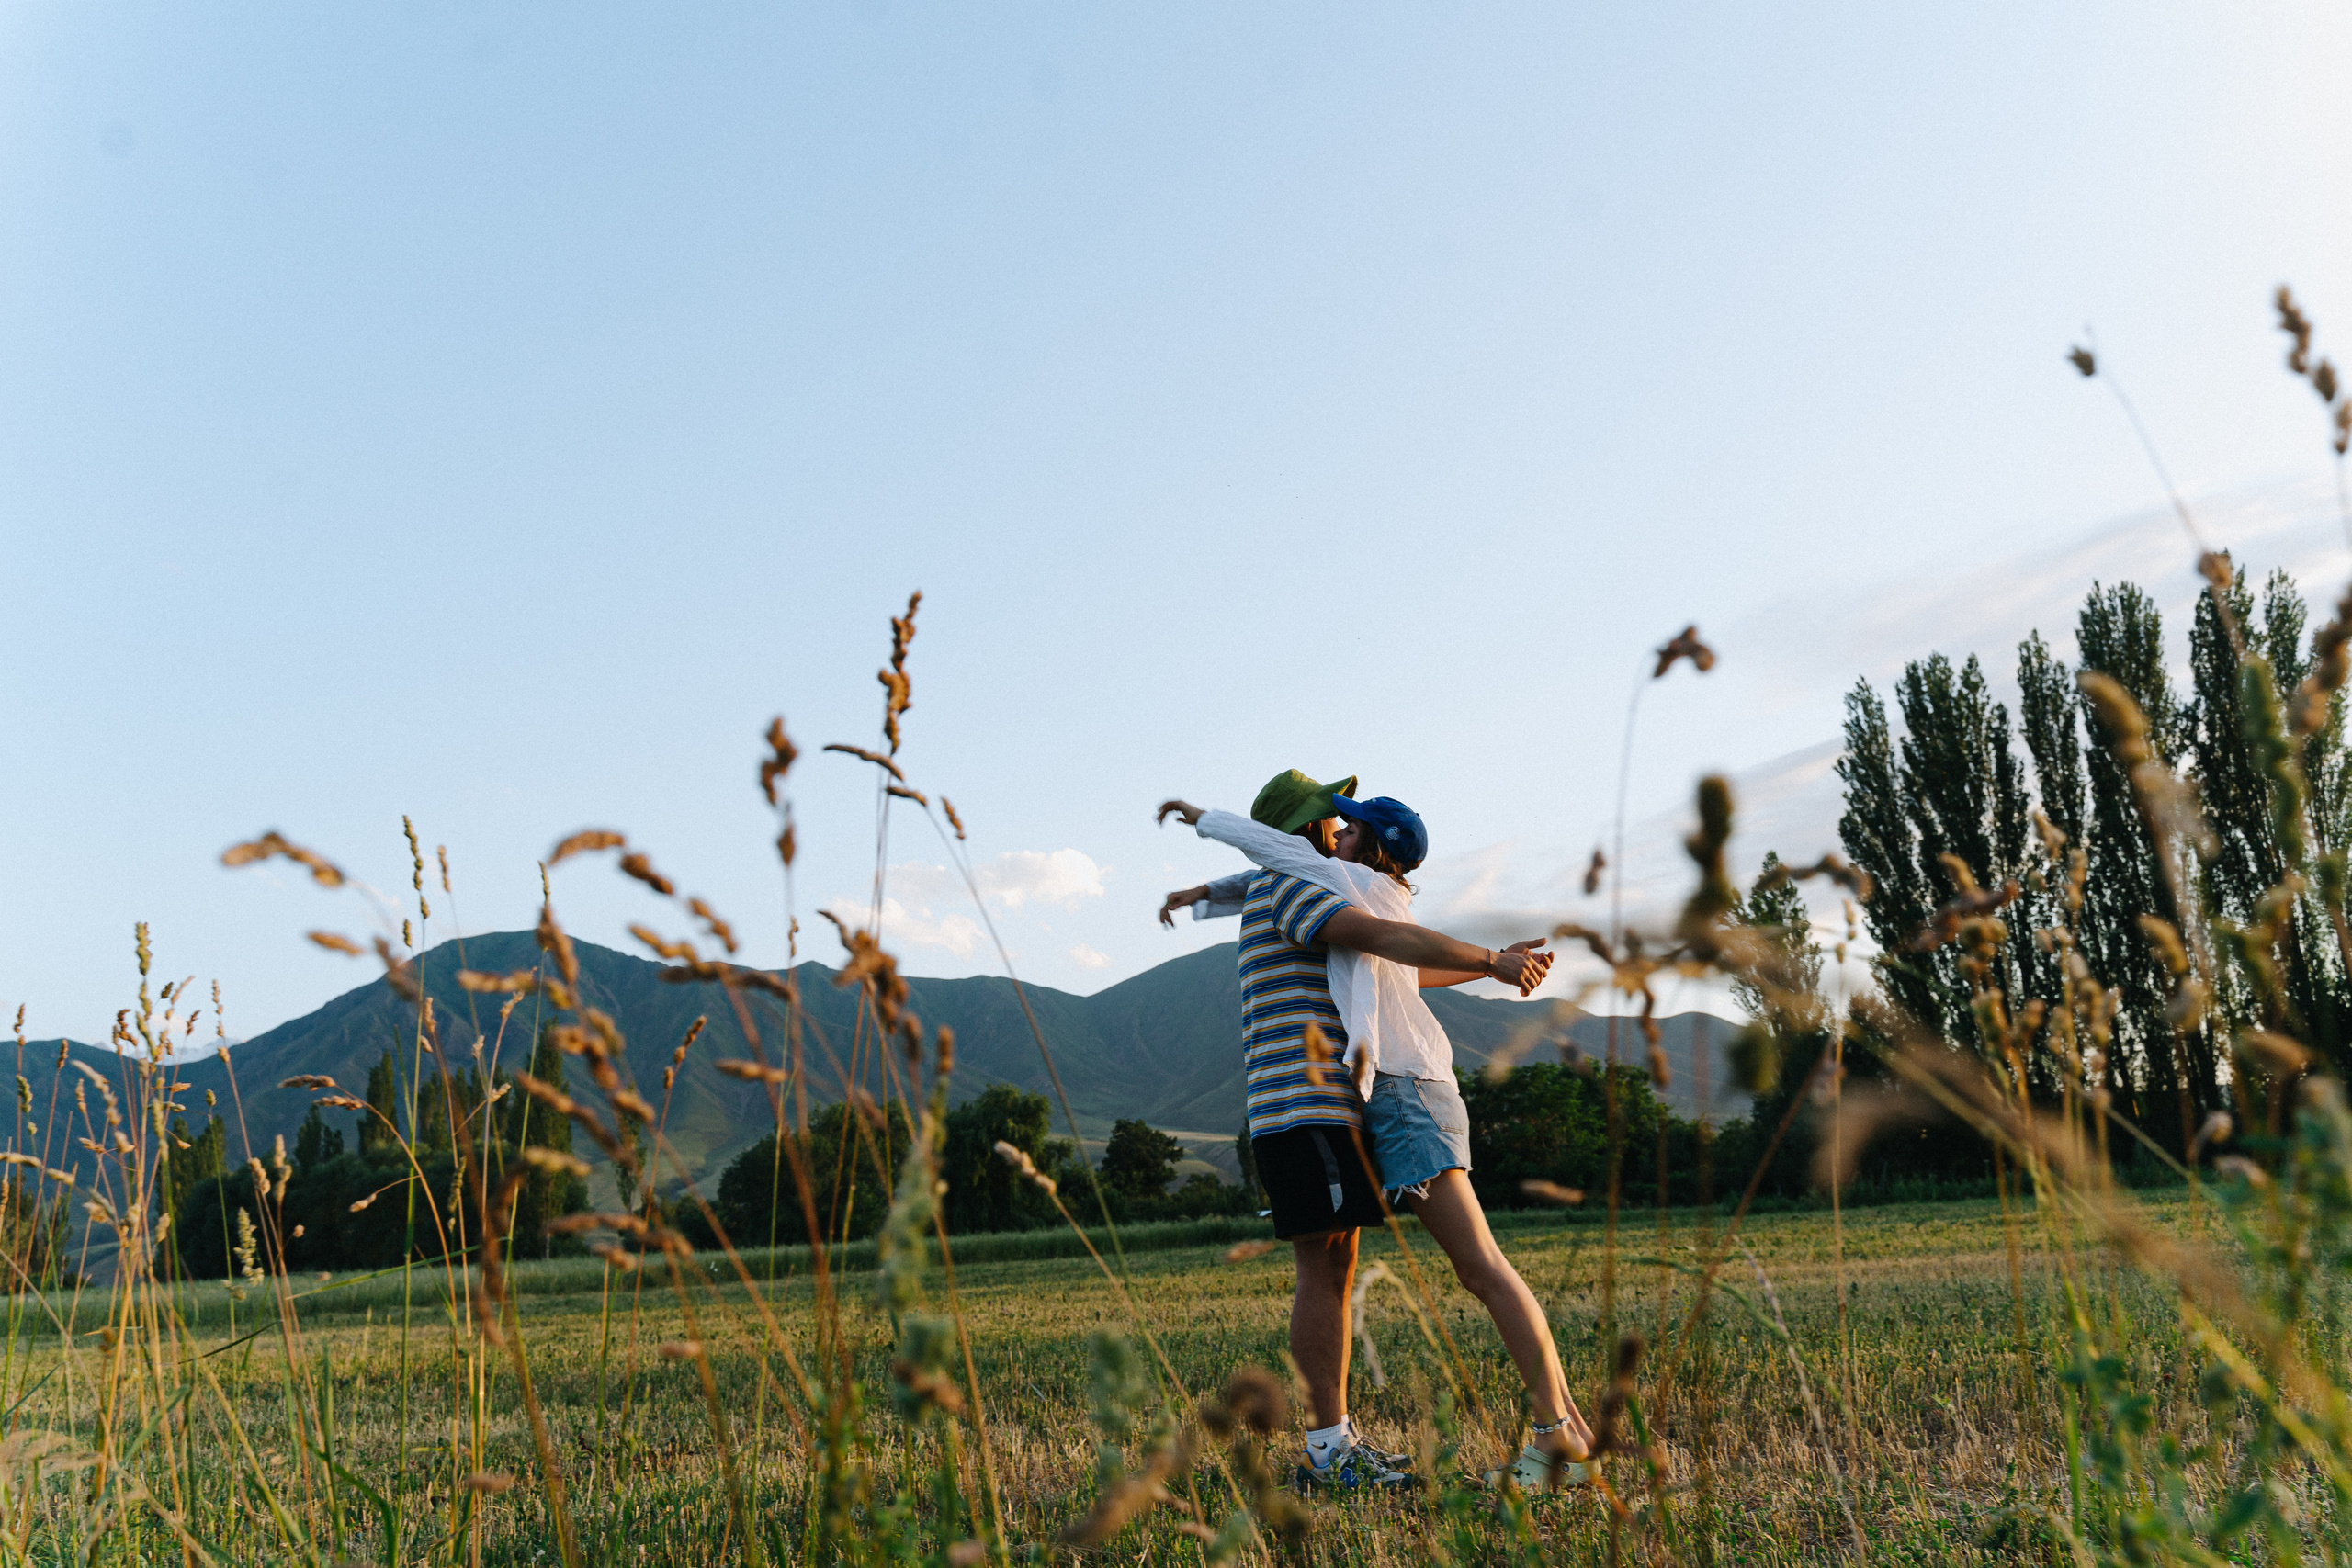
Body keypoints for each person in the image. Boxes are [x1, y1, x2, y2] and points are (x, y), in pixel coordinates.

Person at [1157, 770, 1586, 1492]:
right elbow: (1382, 938)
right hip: (1309, 1108)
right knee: (1340, 1270)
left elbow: (1390, 967)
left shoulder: (1327, 885)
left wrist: (1492, 966)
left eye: (1349, 824)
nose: (1338, 828)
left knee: (1384, 1268)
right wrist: (1491, 960)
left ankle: (1549, 1433)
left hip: (1355, 1106)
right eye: (1333, 820)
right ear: (1309, 831)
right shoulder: (1294, 885)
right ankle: (1339, 1449)